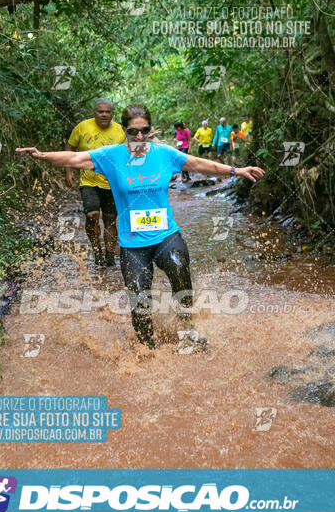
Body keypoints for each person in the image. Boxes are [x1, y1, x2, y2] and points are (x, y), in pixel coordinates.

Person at [17, 104, 264, 351]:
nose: (139, 137)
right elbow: (74, 158)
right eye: (133, 132)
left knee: (179, 267)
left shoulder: (164, 154)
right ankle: (148, 350)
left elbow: (198, 164)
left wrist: (236, 170)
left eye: (144, 130)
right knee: (139, 302)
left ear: (150, 129)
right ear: (124, 130)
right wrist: (42, 155)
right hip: (132, 244)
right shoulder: (110, 156)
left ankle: (187, 327)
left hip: (166, 235)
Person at [65, 98, 126, 266]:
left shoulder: (121, 131)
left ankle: (109, 255)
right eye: (101, 111)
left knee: (110, 219)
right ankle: (97, 251)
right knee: (91, 216)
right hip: (89, 181)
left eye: (108, 111)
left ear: (112, 113)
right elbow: (69, 147)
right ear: (95, 112)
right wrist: (68, 170)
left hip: (112, 183)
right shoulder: (82, 127)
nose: (104, 114)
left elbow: (127, 156)